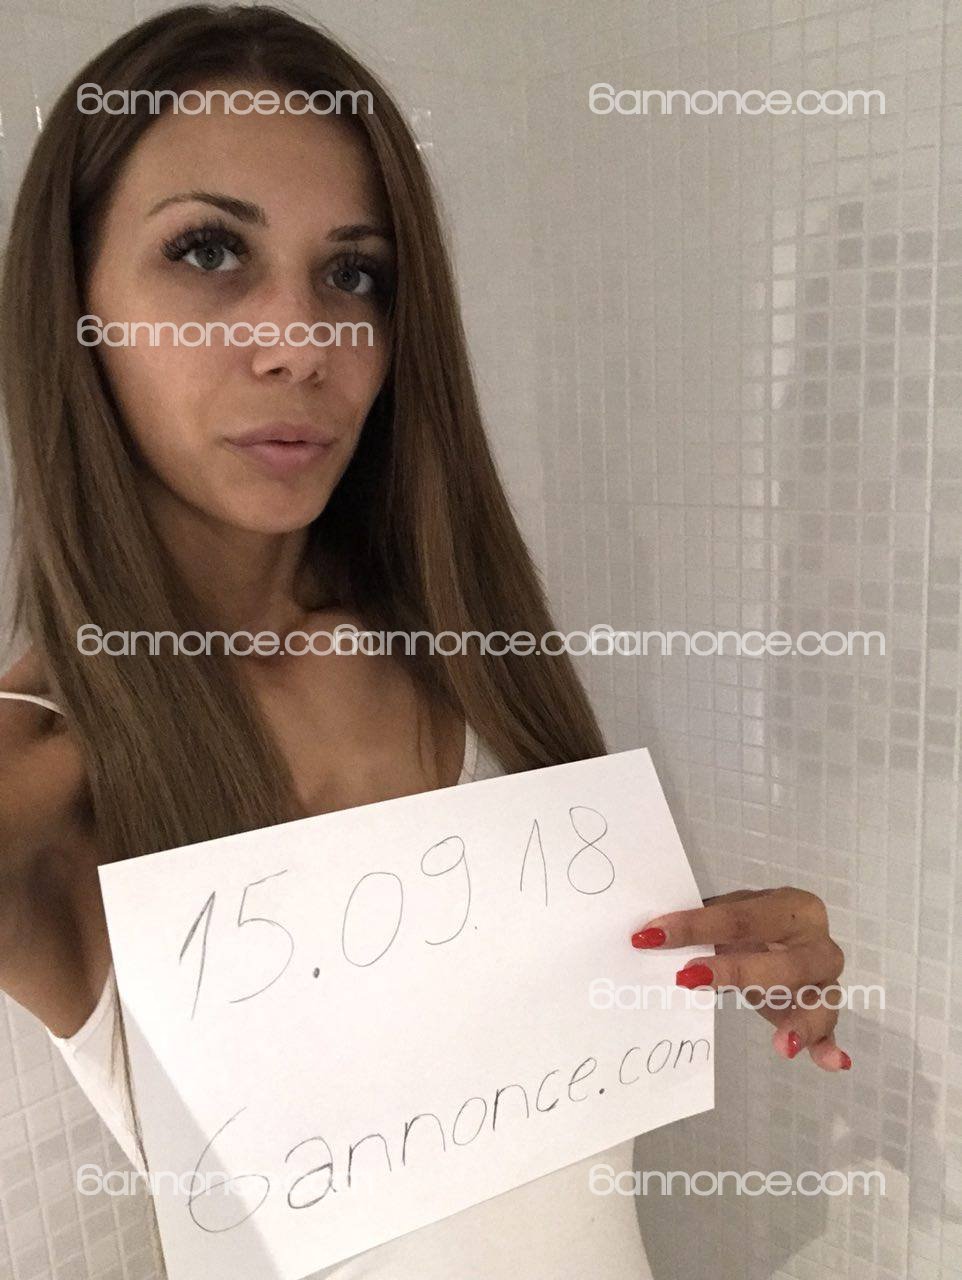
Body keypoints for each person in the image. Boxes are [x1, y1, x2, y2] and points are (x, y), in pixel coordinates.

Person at [0, 5, 847, 1277]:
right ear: (75, 306)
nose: (301, 343)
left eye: (353, 275)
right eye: (209, 251)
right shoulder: (45, 768)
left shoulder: (468, 656)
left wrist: (759, 961)